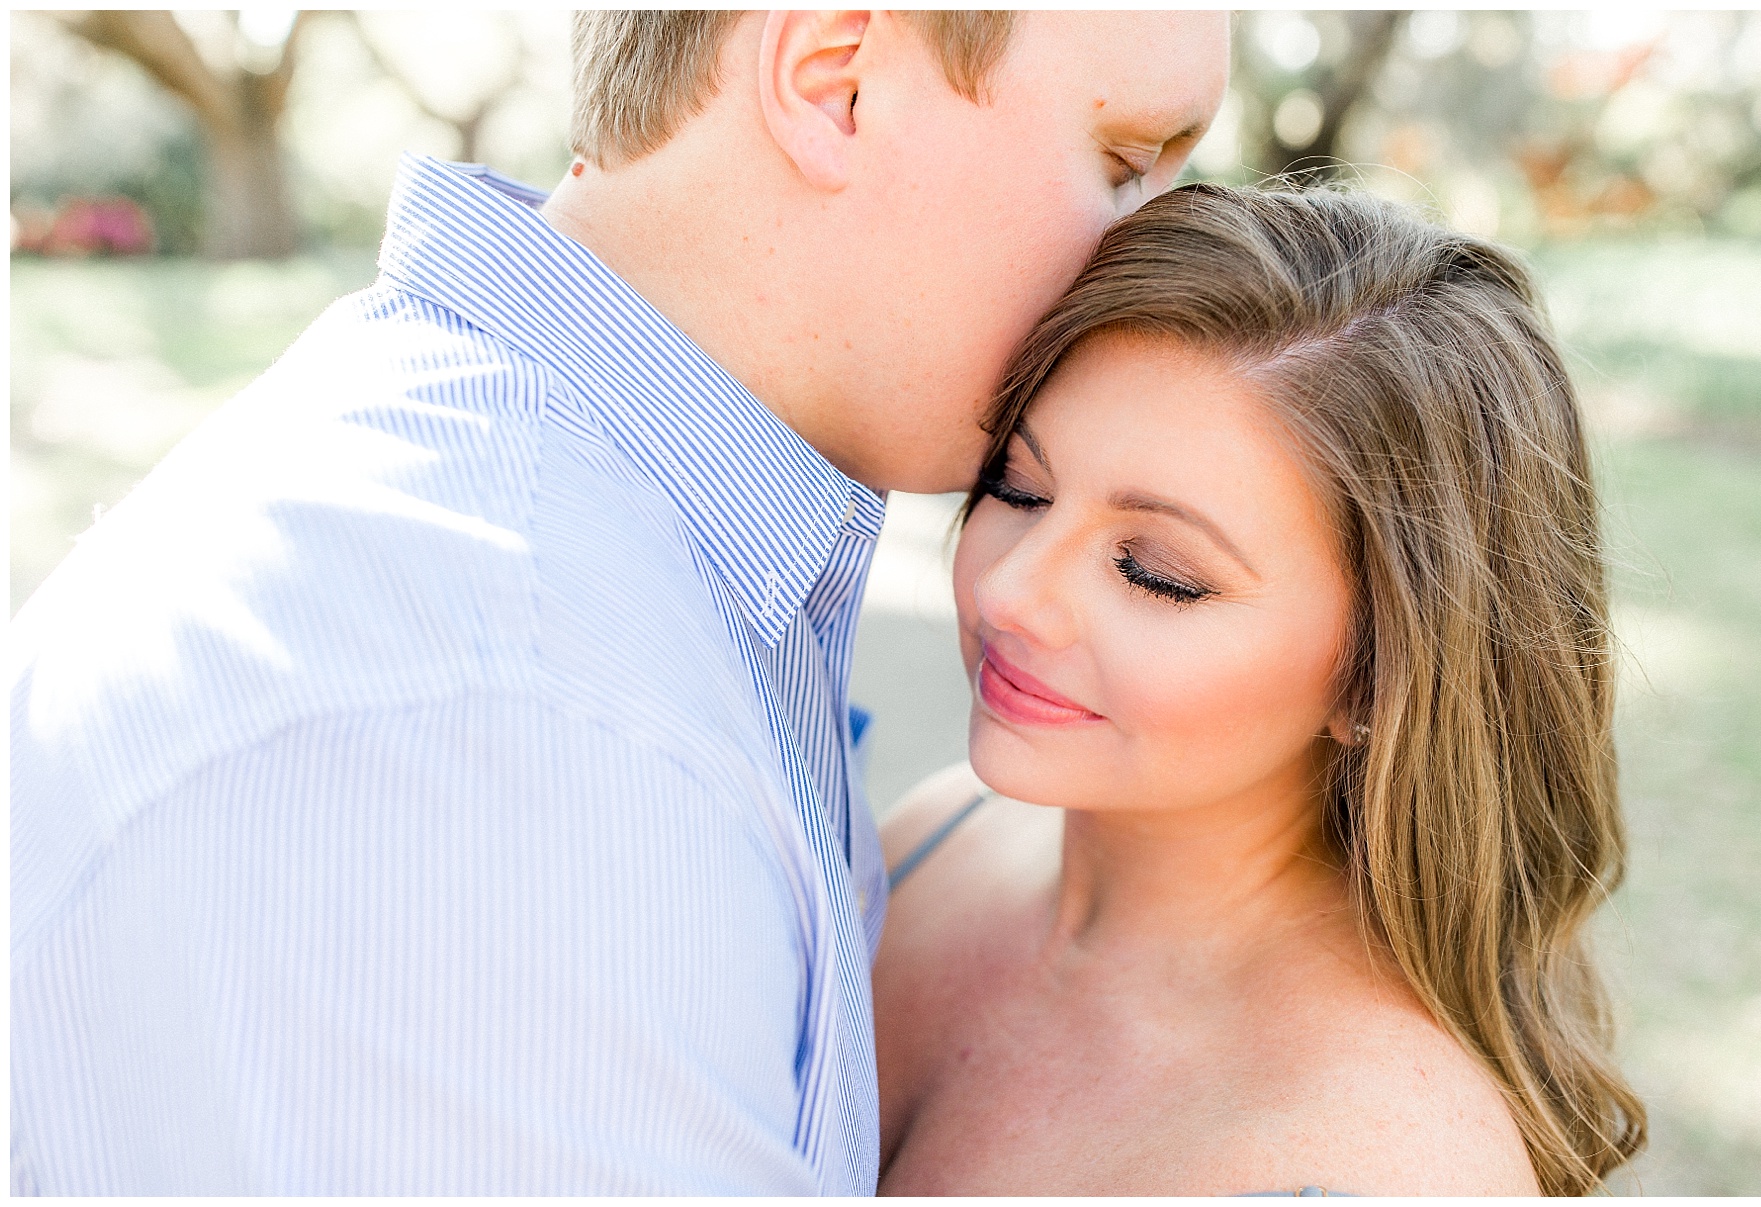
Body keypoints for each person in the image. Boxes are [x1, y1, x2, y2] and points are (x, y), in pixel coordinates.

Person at [9, 11, 1228, 1195]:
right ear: (834, 80)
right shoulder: (519, 721)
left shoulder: (563, 563)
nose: (1160, 262)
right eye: (1123, 164)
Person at [874, 184, 1647, 1196]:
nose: (1012, 590)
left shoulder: (1381, 1163)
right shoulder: (935, 838)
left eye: (1156, 569)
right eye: (1020, 487)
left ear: (1378, 677)